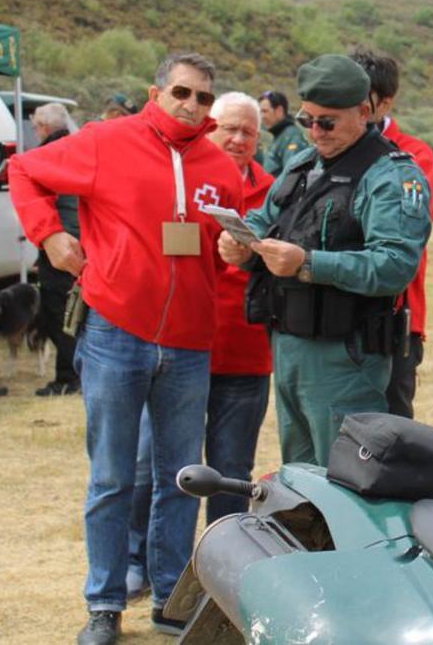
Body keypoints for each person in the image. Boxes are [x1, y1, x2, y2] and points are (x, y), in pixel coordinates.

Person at [9, 53, 244, 645]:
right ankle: (105, 603)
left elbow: (227, 240)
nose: (193, 105)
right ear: (156, 91)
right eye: (183, 93)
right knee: (112, 477)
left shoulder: (222, 164)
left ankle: (170, 598)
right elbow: (24, 172)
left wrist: (236, 251)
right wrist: (50, 235)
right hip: (116, 331)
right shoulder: (104, 141)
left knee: (179, 479)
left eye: (204, 98)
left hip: (190, 343)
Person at [220, 54, 432, 466]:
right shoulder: (301, 165)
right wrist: (241, 246)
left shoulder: (390, 175)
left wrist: (308, 264)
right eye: (307, 120)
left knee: (346, 479)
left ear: (364, 113)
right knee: (299, 478)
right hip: (289, 343)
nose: (316, 131)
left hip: (346, 354)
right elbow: (263, 220)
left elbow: (393, 265)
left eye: (328, 122)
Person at [126, 92, 276, 601]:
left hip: (245, 353)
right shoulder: (179, 187)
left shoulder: (273, 194)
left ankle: (221, 575)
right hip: (178, 349)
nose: (237, 139)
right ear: (209, 129)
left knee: (230, 474)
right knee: (155, 465)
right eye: (228, 128)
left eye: (248, 132)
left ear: (259, 138)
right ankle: (138, 562)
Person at [350, 48, 433, 419]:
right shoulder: (326, 150)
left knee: (391, 428)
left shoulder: (415, 156)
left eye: (359, 98)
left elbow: (409, 234)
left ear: (385, 103)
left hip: (396, 315)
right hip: (339, 316)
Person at [30, 102, 82, 396]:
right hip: (84, 240)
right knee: (77, 313)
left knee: (58, 315)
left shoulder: (45, 155)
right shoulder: (79, 149)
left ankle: (67, 378)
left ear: (44, 127)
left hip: (59, 243)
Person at [257, 90, 307, 176]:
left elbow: (292, 175)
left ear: (279, 111)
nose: (262, 116)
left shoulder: (292, 137)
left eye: (265, 111)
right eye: (260, 112)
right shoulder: (279, 136)